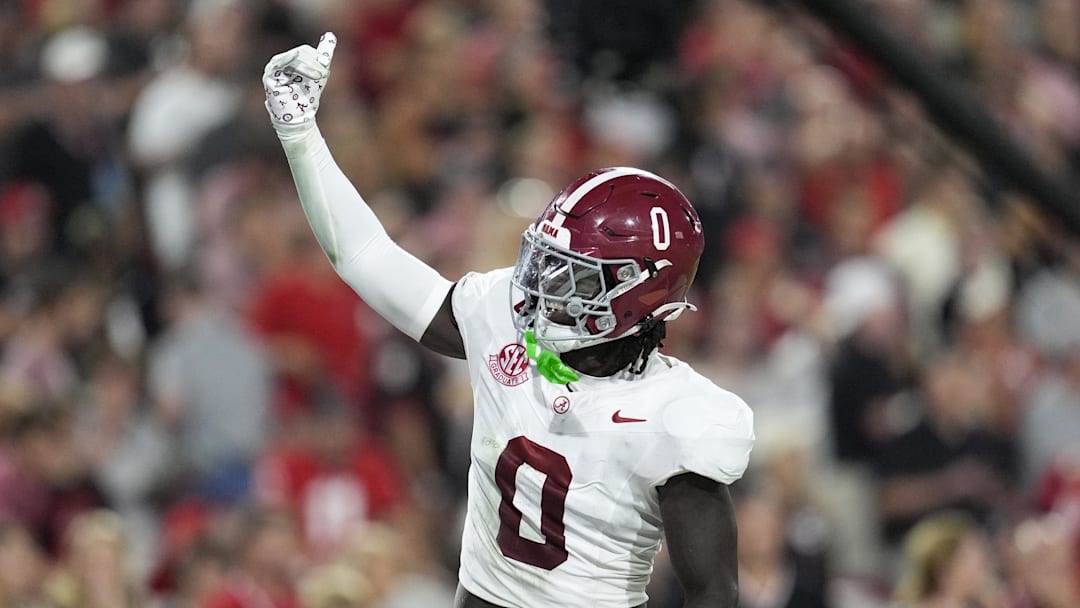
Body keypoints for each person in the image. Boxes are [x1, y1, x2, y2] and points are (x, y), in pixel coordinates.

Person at [262, 33, 755, 608]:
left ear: (639, 289)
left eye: (576, 275)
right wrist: (300, 135)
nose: (546, 288)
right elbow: (368, 258)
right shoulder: (504, 318)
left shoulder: (676, 414)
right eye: (550, 263)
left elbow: (714, 596)